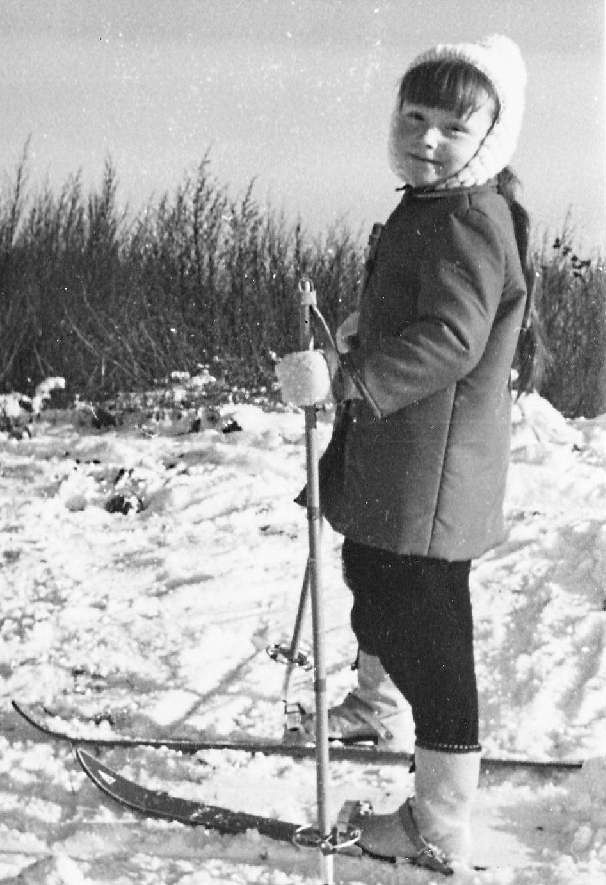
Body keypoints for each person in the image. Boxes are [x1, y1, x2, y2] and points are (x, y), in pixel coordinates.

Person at [276, 34, 531, 873]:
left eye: (452, 127)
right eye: (414, 116)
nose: (426, 138)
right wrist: (361, 333)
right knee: (375, 583)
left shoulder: (470, 217)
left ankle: (439, 822)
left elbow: (454, 339)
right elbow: (425, 315)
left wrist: (347, 376)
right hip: (403, 463)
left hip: (432, 473)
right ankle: (379, 710)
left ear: (490, 139)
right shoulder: (436, 206)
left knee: (425, 631)